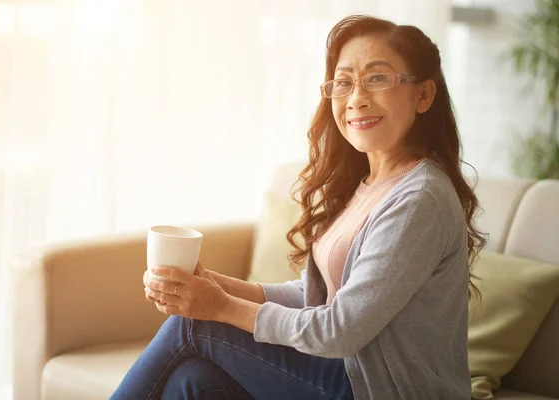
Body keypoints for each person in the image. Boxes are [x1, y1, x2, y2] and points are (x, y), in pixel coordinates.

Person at [110, 14, 487, 400]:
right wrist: (215, 284)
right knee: (190, 381)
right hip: (348, 375)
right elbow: (317, 300)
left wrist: (219, 307)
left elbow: (339, 330)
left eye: (377, 78)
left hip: (381, 390)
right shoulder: (369, 185)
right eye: (343, 82)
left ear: (423, 95)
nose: (356, 97)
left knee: (191, 327)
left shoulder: (419, 198)